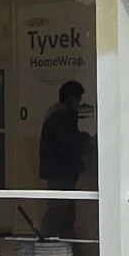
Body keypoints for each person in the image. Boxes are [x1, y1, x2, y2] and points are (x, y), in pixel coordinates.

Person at [37, 80, 93, 241]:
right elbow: (68, 145)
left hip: (60, 171)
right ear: (70, 98)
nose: (79, 103)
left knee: (65, 214)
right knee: (58, 212)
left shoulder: (56, 114)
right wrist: (86, 141)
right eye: (78, 99)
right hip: (61, 172)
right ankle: (46, 249)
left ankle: (65, 253)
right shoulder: (62, 116)